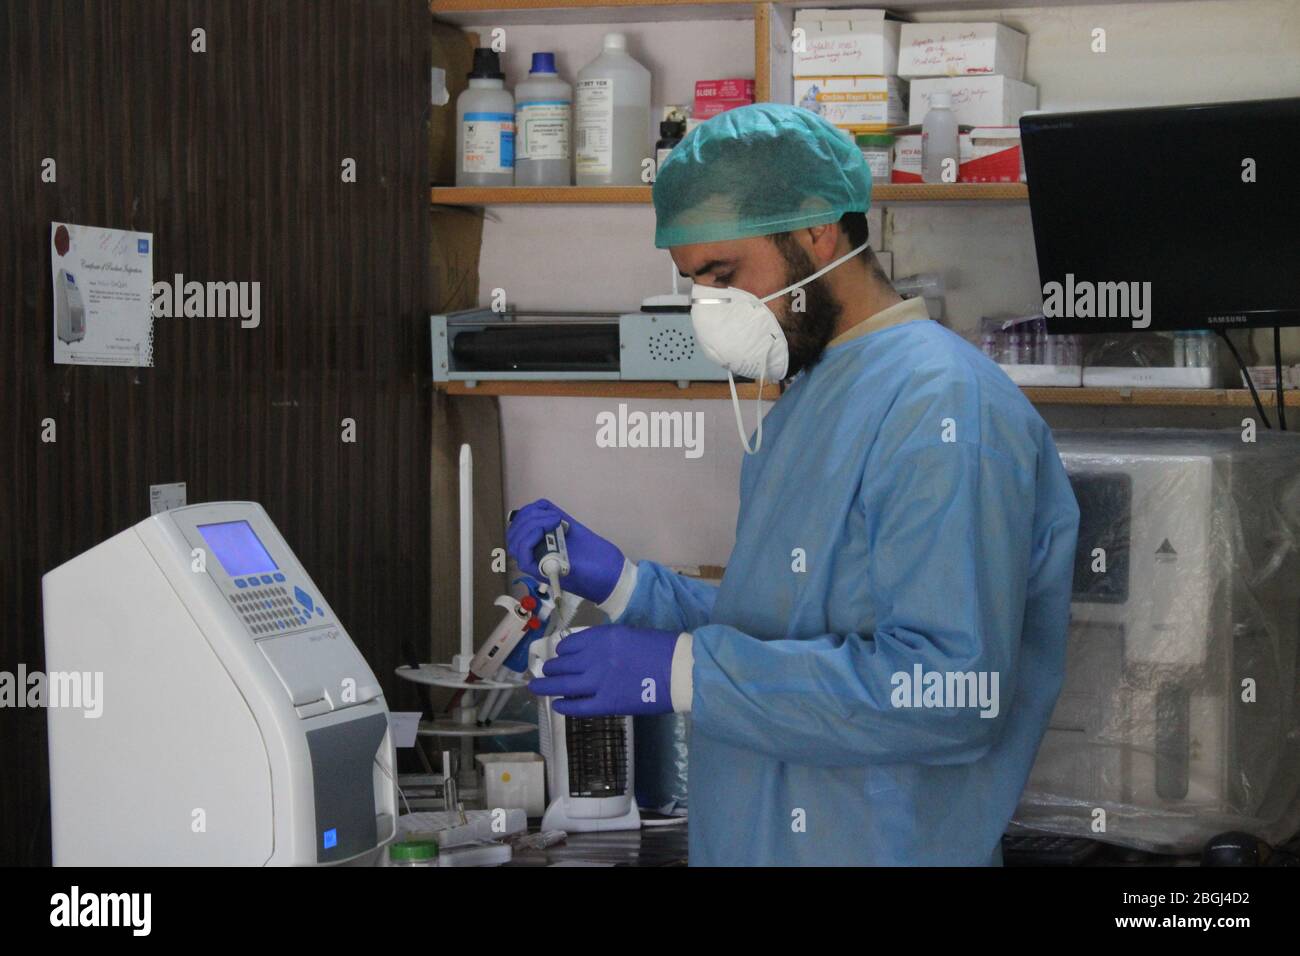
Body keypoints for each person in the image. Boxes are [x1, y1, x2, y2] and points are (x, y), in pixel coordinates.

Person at [508, 103, 1080, 865]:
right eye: (693, 284)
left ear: (818, 231)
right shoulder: (808, 398)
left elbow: (947, 693)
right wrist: (631, 588)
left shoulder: (942, 407)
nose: (710, 312)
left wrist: (680, 673)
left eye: (723, 275)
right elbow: (796, 622)